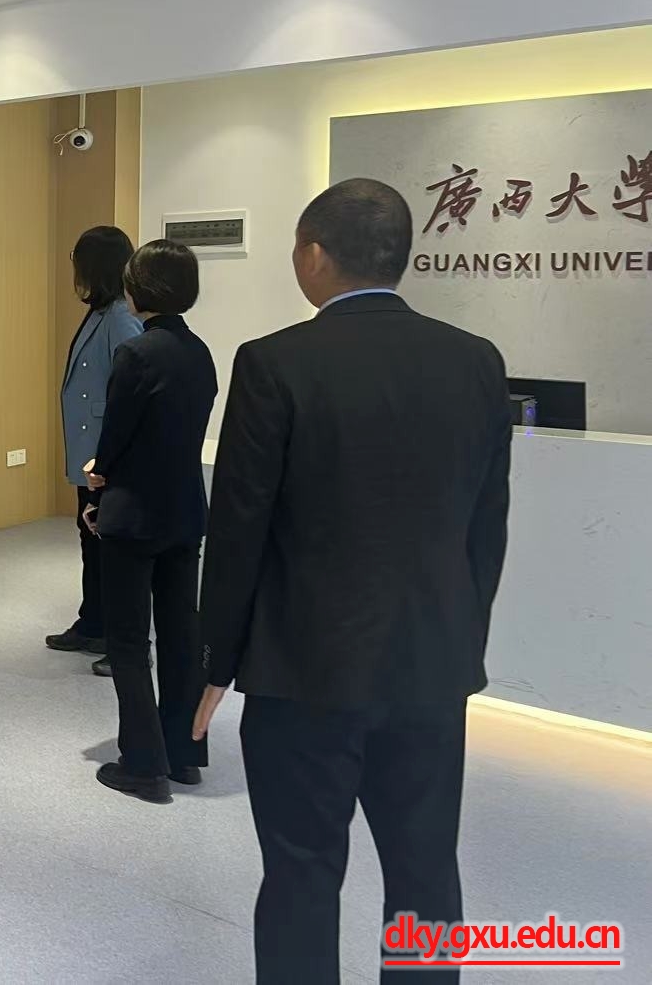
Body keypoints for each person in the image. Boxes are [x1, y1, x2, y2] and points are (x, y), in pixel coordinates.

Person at [192, 179, 510, 984]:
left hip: (303, 670)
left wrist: (215, 662)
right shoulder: (476, 361)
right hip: (430, 668)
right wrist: (460, 640)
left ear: (313, 255)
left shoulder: (274, 362)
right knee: (426, 873)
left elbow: (239, 530)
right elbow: (486, 528)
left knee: (301, 873)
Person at [86, 238, 216, 804]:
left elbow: (116, 435)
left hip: (134, 515)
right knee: (181, 633)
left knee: (129, 640)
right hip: (183, 512)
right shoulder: (201, 353)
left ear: (141, 287)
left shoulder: (136, 354)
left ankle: (143, 763)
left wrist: (98, 474)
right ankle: (184, 754)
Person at [46, 226, 141, 676]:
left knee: (108, 545)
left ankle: (117, 636)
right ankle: (92, 622)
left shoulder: (120, 316)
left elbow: (131, 387)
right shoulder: (102, 311)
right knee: (90, 539)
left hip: (106, 452)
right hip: (91, 450)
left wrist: (109, 456)